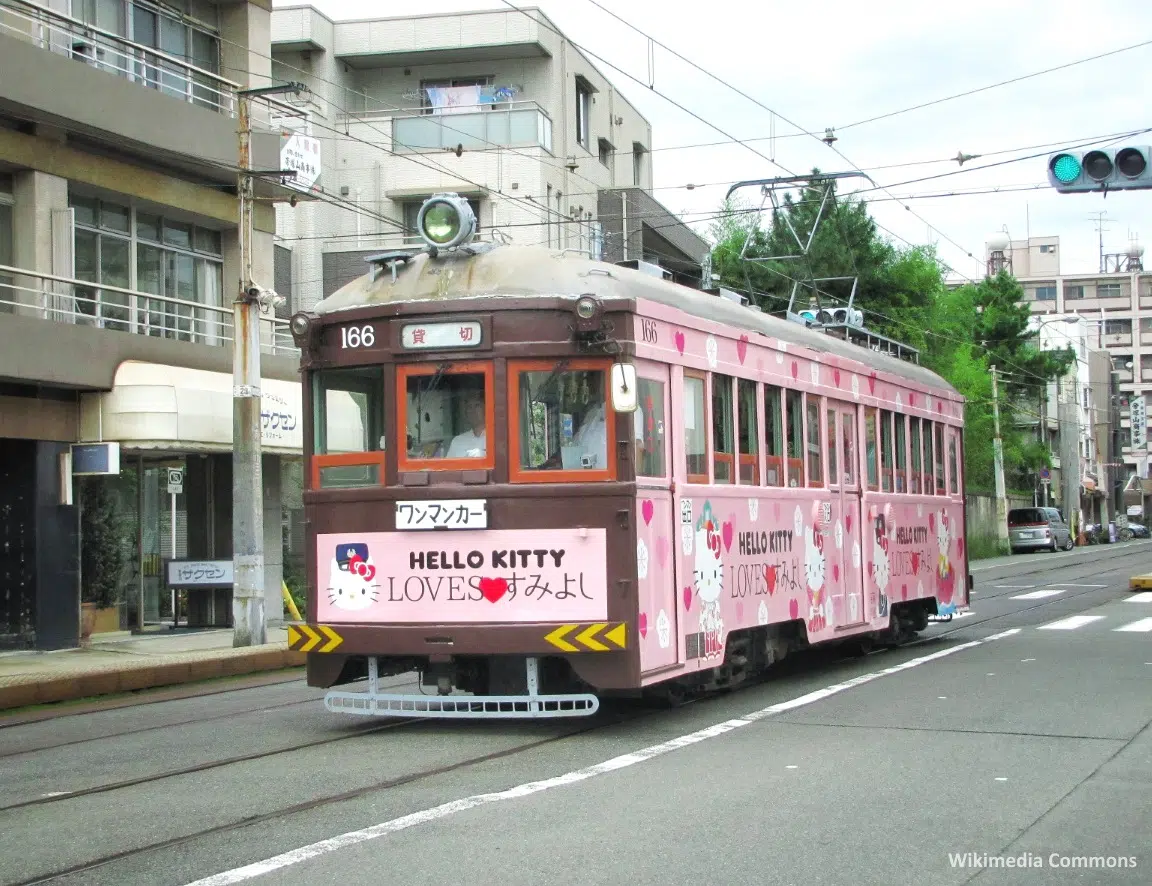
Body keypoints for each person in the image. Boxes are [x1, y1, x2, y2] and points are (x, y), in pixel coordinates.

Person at [444, 394, 486, 458]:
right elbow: (448, 466)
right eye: (469, 407)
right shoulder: (457, 441)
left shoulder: (495, 439)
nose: (472, 410)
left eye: (477, 405)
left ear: (485, 409)